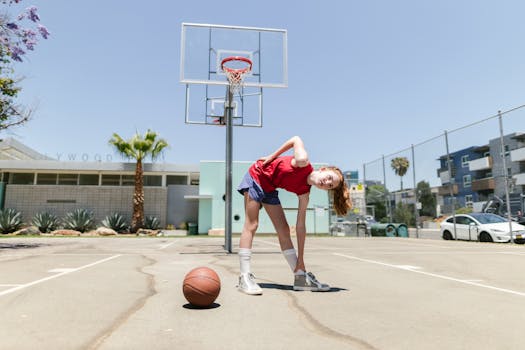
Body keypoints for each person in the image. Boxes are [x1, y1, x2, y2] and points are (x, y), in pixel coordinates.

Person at [236, 136, 352, 295]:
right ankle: (244, 277)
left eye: (330, 186)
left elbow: (300, 226)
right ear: (324, 169)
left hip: (269, 186)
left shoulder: (304, 193)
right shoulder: (303, 161)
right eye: (329, 178)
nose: (326, 183)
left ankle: (300, 277)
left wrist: (301, 261)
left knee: (284, 230)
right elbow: (296, 139)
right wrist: (272, 156)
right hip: (257, 175)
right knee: (252, 224)